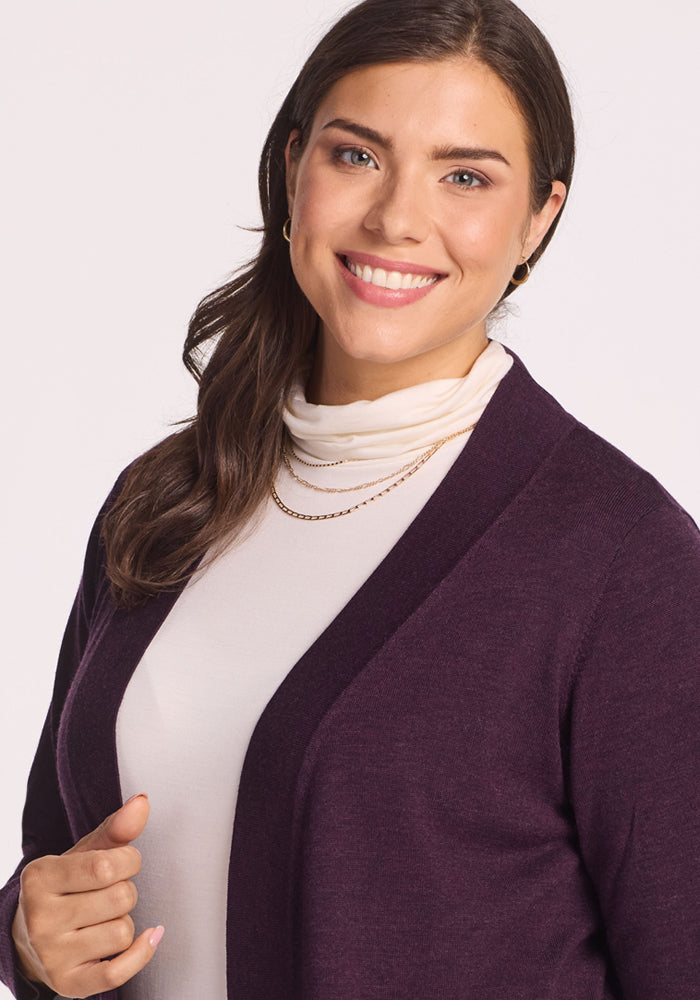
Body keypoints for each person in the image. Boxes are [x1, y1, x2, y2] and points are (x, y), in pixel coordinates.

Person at [1, 0, 699, 997]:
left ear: (538, 217)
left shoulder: (618, 559)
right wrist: (31, 939)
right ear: (293, 171)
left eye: (464, 176)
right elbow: (56, 863)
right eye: (357, 156)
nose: (395, 218)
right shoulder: (163, 502)